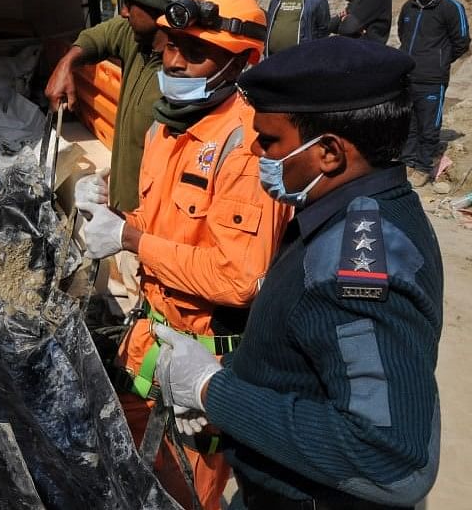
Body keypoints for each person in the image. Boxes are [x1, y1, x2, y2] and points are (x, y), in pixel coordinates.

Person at [155, 36, 441, 510]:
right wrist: (228, 387)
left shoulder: (356, 267)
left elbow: (390, 458)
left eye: (270, 140)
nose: (255, 149)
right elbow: (312, 360)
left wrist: (212, 390)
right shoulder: (359, 208)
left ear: (329, 152)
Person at [75, 0, 293, 510]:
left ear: (242, 63)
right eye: (171, 45)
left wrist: (128, 237)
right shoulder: (167, 129)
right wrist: (112, 217)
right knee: (130, 471)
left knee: (186, 493)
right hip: (150, 339)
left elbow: (239, 277)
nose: (174, 62)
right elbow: (160, 226)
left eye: (196, 54)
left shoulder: (246, 146)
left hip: (205, 360)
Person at [48, 0, 214, 214]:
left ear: (159, 10)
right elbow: (99, 36)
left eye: (129, 4)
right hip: (123, 213)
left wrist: (129, 231)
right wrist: (66, 64)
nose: (122, 12)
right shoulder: (137, 38)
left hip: (149, 228)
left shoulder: (189, 78)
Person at [397, 0, 471, 187]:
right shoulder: (409, 7)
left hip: (432, 79)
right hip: (407, 76)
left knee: (429, 125)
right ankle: (407, 162)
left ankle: (423, 166)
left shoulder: (451, 8)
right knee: (408, 123)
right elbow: (403, 34)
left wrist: (438, 61)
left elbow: (462, 42)